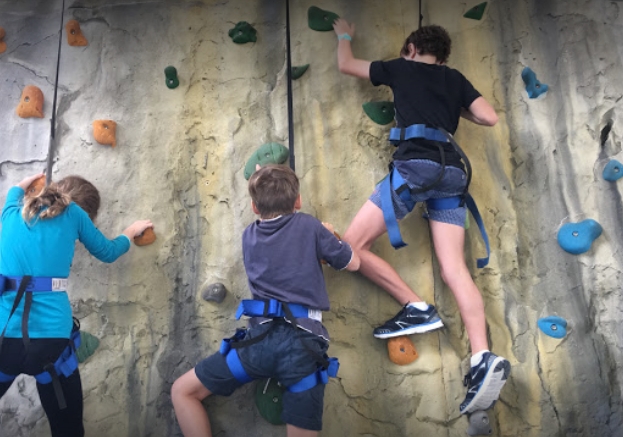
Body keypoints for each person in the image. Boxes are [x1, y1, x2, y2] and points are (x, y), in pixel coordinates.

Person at [332, 18, 510, 414]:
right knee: (454, 270)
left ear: (411, 49)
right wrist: (451, 109)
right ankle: (482, 356)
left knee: (350, 245)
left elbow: (347, 64)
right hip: (453, 174)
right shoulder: (455, 78)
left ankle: (415, 306)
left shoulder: (400, 67)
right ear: (442, 57)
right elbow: (488, 117)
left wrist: (344, 34)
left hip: (417, 167)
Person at [171, 164, 360, 437]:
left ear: (254, 207)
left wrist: (265, 178)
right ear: (298, 201)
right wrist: (328, 235)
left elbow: (278, 233)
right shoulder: (311, 227)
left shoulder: (249, 235)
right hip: (303, 348)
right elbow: (353, 263)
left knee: (182, 391)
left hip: (258, 343)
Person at [0, 173, 153, 437]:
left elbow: (16, 187)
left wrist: (35, 180)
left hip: (4, 339)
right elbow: (107, 251)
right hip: (51, 346)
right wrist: (130, 231)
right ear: (86, 212)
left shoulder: (12, 210)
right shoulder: (74, 214)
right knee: (68, 430)